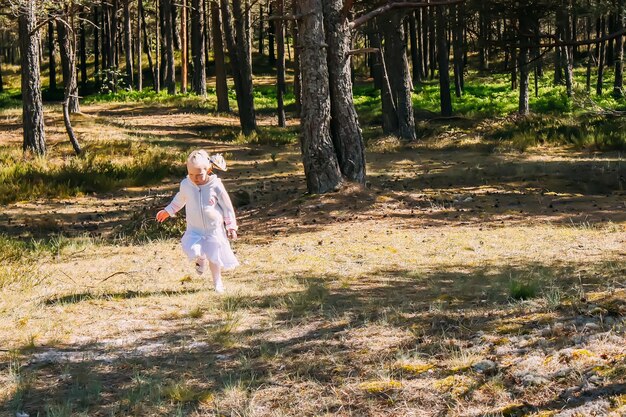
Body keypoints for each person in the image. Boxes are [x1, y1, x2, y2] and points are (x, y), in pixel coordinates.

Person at [156, 150, 239, 293]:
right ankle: (200, 258)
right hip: (195, 228)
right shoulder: (186, 185)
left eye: (199, 175)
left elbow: (227, 207)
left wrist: (231, 226)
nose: (195, 178)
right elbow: (179, 200)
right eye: (191, 175)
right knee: (192, 249)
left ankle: (217, 283)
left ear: (208, 169)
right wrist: (168, 211)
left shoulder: (215, 185)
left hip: (214, 229)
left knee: (215, 257)